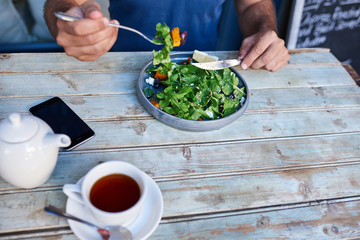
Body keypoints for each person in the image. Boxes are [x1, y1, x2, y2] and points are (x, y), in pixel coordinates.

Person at [44, 0, 289, 72]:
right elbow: (66, 3)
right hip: (119, 70)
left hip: (200, 69)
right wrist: (68, 19)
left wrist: (264, 31)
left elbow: (252, 4)